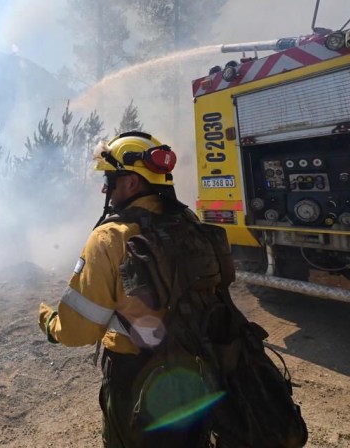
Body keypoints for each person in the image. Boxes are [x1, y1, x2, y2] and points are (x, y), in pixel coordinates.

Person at [37, 131, 224, 447]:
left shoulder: (110, 237)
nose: (104, 188)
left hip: (137, 378)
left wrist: (50, 323)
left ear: (133, 182)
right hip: (197, 368)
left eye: (110, 179)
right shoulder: (189, 221)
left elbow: (78, 330)